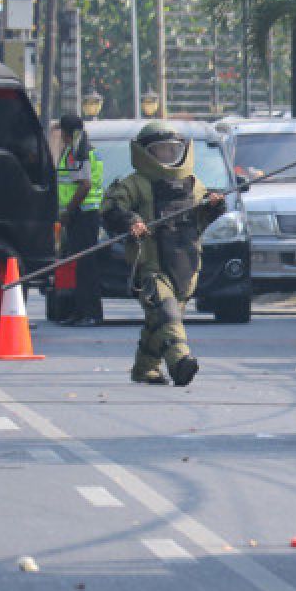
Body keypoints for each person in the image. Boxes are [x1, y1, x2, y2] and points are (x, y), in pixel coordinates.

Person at [101, 121, 225, 386]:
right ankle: (180, 363)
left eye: (173, 150)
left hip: (186, 264)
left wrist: (215, 204)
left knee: (160, 320)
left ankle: (145, 368)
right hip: (151, 266)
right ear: (146, 153)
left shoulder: (194, 184)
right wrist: (131, 221)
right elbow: (111, 209)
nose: (168, 156)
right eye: (161, 151)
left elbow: (202, 216)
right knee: (167, 312)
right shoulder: (135, 184)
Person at [56, 113, 105, 327]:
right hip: (78, 214)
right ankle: (79, 311)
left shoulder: (81, 151)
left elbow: (84, 185)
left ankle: (91, 313)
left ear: (67, 132)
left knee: (87, 266)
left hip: (84, 214)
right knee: (78, 266)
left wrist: (68, 210)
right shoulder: (73, 149)